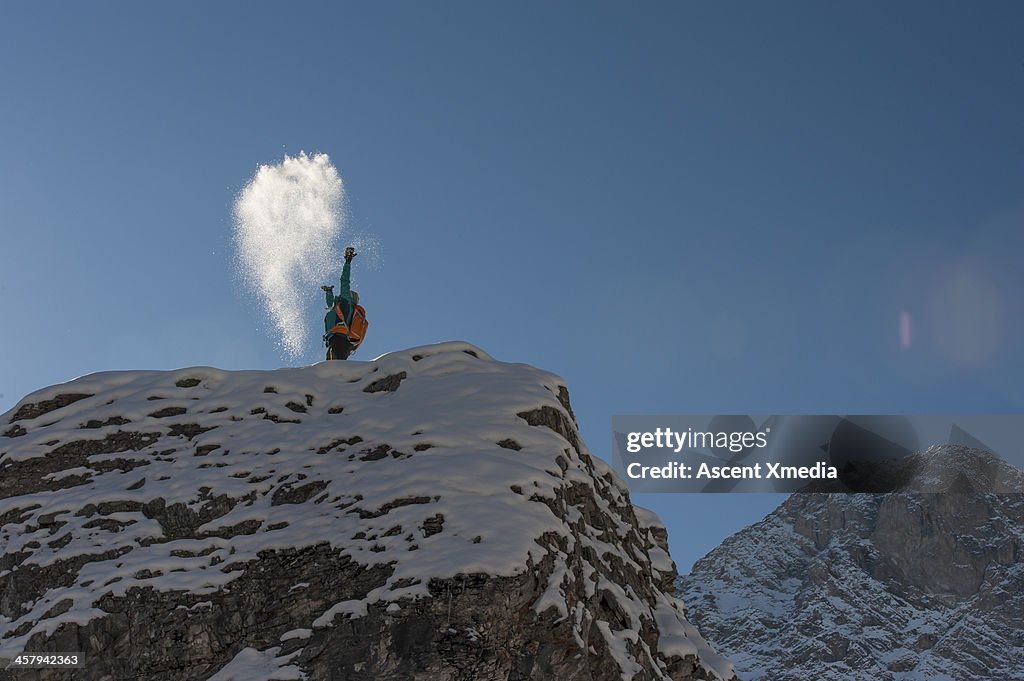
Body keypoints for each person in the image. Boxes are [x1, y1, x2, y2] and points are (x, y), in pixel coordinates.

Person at [321, 247, 368, 360]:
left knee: (333, 369)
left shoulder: (346, 302)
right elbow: (330, 305)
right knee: (333, 370)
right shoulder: (340, 307)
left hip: (340, 339)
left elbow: (344, 281)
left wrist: (347, 262)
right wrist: (329, 292)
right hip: (338, 340)